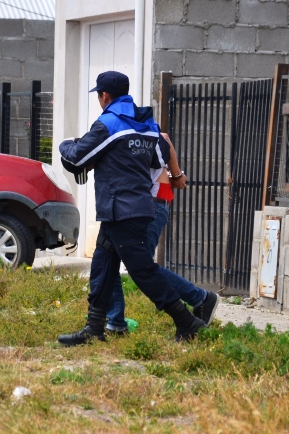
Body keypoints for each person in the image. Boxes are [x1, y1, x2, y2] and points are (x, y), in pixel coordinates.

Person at [57, 71, 219, 345]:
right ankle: (94, 327)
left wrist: (66, 143)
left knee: (143, 271)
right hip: (133, 208)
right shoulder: (146, 124)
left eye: (99, 95)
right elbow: (160, 159)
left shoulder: (108, 123)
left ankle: (186, 322)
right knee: (103, 264)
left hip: (122, 210)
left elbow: (77, 155)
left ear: (104, 96)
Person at [104, 132, 219, 335]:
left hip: (151, 202)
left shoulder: (134, 125)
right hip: (140, 204)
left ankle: (200, 298)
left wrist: (176, 173)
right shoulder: (125, 126)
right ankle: (115, 321)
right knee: (110, 257)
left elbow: (164, 137)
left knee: (142, 267)